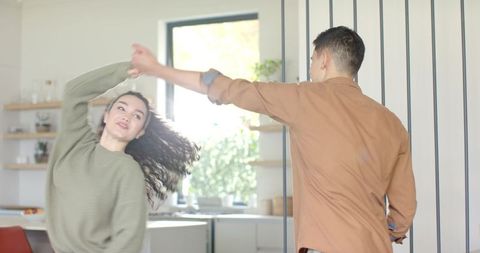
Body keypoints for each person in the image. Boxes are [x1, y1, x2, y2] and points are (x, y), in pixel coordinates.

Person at [130, 25, 416, 253]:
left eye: (313, 60)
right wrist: (382, 233)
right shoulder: (392, 123)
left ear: (324, 60)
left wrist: (157, 69)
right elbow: (404, 211)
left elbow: (224, 87)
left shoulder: (305, 98)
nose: (312, 68)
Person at [45, 62, 199, 253]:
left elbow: (129, 237)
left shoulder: (128, 171)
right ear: (106, 115)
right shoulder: (75, 144)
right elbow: (73, 92)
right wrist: (125, 70)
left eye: (137, 116)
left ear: (140, 133)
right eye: (121, 108)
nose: (127, 116)